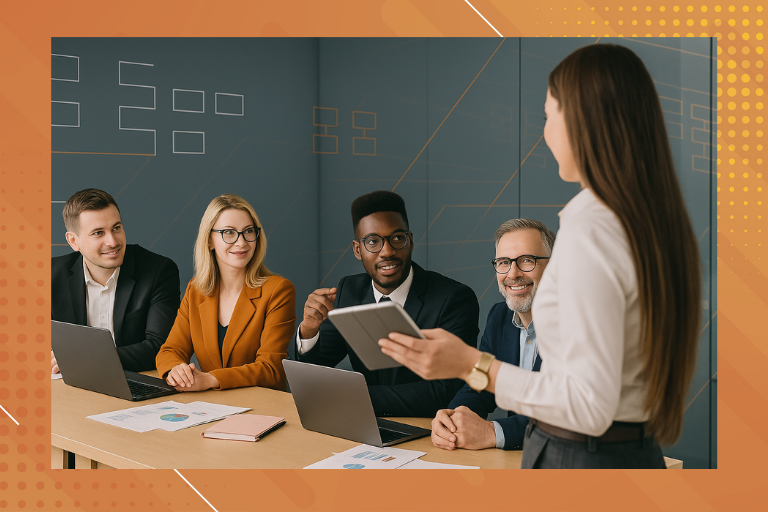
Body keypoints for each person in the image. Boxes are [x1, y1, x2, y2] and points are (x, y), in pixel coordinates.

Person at [380, 44, 702, 468]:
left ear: (584, 119)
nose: (545, 132)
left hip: (581, 460)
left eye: (549, 114)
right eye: (503, 263)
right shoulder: (648, 223)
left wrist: (471, 363)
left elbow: (586, 404)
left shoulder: (593, 226)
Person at [293, 190, 479, 417]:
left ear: (410, 241)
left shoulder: (454, 299)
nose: (387, 251)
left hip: (430, 430)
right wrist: (309, 330)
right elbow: (316, 371)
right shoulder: (348, 291)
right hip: (366, 426)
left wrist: (356, 397)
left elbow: (447, 390)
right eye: (373, 242)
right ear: (357, 250)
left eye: (397, 238)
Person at [432, 219, 551, 451]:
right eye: (504, 262)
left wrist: (492, 432)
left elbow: (565, 410)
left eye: (527, 260)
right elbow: (479, 381)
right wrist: (453, 418)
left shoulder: (576, 325)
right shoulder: (499, 317)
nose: (513, 274)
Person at [156, 194, 296, 392]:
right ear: (209, 240)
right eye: (228, 232)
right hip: (210, 406)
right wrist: (176, 370)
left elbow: (271, 370)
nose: (241, 242)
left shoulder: (278, 290)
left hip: (261, 407)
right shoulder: (196, 289)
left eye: (248, 231)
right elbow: (170, 350)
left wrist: (211, 379)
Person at [51, 188, 180, 373]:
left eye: (116, 228)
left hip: (135, 381)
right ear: (73, 241)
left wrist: (87, 357)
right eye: (98, 233)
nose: (112, 242)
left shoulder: (158, 271)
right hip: (70, 387)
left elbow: (161, 347)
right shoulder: (49, 276)